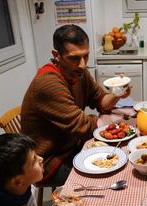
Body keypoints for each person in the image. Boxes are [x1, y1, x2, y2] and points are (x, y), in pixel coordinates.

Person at [21, 24, 131, 185]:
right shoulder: (48, 83)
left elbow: (100, 100)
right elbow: (84, 127)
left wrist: (116, 95)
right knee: (111, 175)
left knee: (120, 159)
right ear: (56, 55)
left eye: (85, 56)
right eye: (74, 58)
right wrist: (97, 120)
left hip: (72, 145)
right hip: (48, 163)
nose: (82, 64)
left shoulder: (78, 72)